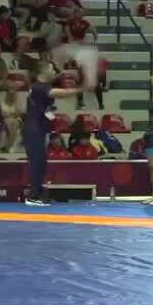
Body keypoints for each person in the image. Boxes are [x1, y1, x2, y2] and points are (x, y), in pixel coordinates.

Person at [23, 61, 88, 206]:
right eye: (52, 68)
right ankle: (32, 197)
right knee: (37, 163)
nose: (54, 71)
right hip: (34, 129)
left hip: (40, 128)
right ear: (43, 70)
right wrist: (82, 88)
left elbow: (53, 80)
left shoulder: (41, 85)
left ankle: (38, 193)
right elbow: (62, 94)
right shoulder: (40, 88)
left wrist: (64, 73)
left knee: (42, 163)